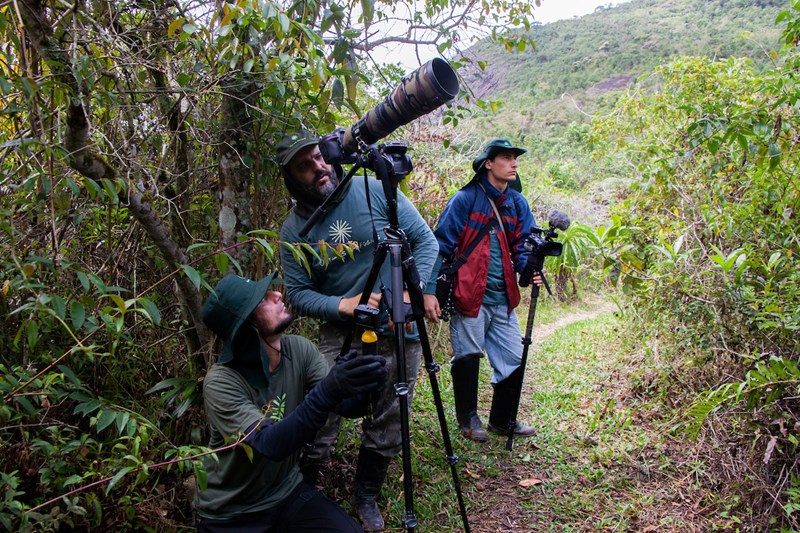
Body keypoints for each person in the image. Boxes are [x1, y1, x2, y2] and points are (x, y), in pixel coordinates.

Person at [276, 130, 438, 531]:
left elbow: (424, 241)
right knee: (321, 409)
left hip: (399, 325)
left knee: (390, 414)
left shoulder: (371, 187)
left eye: (318, 157)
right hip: (341, 333)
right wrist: (341, 305)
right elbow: (296, 294)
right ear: (291, 178)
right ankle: (303, 488)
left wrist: (416, 292)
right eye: (304, 166)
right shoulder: (293, 230)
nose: (318, 168)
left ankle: (365, 494)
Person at [194, 272, 388, 532]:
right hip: (232, 512)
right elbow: (269, 443)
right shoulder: (221, 381)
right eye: (264, 299)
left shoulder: (298, 349)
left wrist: (363, 386)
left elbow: (345, 407)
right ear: (245, 324)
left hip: (285, 492)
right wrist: (330, 390)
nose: (277, 295)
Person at [423, 138, 543, 443]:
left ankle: (502, 420)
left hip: (503, 297)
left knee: (514, 356)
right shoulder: (464, 200)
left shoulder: (518, 203)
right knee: (468, 354)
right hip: (468, 295)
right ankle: (468, 421)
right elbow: (442, 246)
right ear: (488, 163)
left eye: (515, 158)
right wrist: (430, 292)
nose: (514, 163)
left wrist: (532, 268)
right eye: (506, 158)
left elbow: (524, 245)